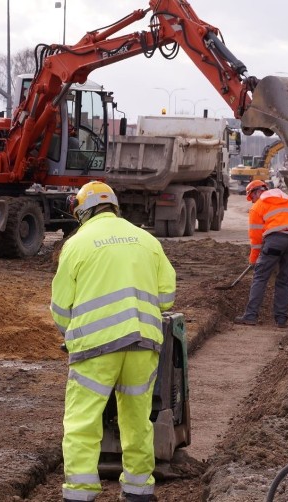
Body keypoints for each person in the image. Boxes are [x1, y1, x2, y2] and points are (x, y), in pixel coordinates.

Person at [50, 181, 176, 502]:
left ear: (83, 211)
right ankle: (138, 491)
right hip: (143, 344)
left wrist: (71, 335)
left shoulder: (77, 245)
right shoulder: (148, 241)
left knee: (83, 422)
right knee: (137, 420)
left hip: (95, 348)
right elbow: (166, 298)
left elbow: (61, 308)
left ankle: (80, 494)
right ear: (115, 207)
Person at [234, 180, 288, 328]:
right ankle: (281, 320)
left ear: (257, 192)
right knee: (285, 280)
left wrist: (254, 259)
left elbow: (256, 238)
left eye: (251, 197)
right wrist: (287, 227)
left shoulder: (258, 206)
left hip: (274, 241)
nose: (252, 201)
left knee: (260, 278)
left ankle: (250, 316)